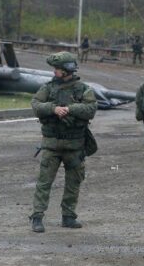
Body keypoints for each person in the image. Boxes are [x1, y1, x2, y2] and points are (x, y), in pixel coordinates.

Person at [30, 51, 97, 233]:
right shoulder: (48, 88)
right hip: (52, 145)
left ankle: (68, 216)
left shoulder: (83, 89)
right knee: (44, 183)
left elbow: (91, 108)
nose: (54, 72)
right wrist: (53, 108)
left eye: (57, 69)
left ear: (67, 70)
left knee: (73, 183)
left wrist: (70, 109)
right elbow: (36, 105)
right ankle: (37, 217)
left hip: (75, 147)